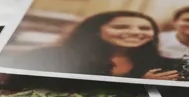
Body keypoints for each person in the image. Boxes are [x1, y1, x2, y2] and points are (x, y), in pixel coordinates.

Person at [18, 11, 180, 80]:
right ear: (95, 31)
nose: (136, 32)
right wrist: (139, 84)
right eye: (121, 27)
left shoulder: (163, 64)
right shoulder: (48, 56)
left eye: (145, 28)